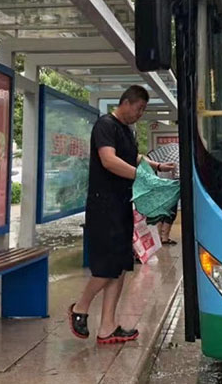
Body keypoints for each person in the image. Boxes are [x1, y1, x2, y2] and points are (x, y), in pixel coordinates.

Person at [68, 85, 175, 344]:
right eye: (139, 109)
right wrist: (142, 178)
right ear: (126, 102)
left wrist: (157, 166)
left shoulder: (126, 130)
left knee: (121, 266)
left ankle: (108, 326)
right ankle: (80, 307)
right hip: (104, 206)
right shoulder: (105, 125)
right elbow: (109, 160)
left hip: (123, 204)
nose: (140, 114)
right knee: (107, 267)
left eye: (143, 110)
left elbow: (134, 157)